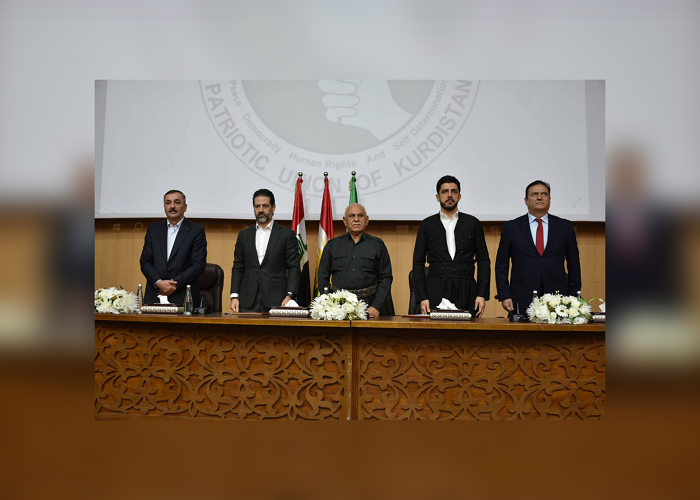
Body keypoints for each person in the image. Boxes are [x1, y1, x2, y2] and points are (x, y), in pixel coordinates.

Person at [495, 180, 582, 315]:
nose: (540, 197)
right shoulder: (512, 227)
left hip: (558, 298)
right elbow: (501, 265)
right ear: (526, 200)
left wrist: (574, 295)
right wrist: (504, 295)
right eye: (534, 194)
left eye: (544, 194)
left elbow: (574, 264)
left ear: (549, 199)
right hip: (521, 296)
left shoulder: (564, 227)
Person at [412, 175, 491, 316]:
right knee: (436, 329)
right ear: (437, 197)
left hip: (466, 287)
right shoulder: (427, 225)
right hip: (435, 287)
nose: (449, 195)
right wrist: (422, 297)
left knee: (467, 329)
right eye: (445, 192)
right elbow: (418, 263)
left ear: (459, 196)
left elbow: (483, 260)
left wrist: (481, 294)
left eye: (454, 191)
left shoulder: (473, 223)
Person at [317, 203, 393, 318]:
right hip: (339, 305)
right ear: (345, 221)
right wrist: (329, 303)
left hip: (370, 305)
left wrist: (376, 306)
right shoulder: (333, 245)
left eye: (360, 215)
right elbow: (323, 275)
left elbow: (386, 277)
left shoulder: (378, 245)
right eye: (352, 216)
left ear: (367, 220)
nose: (356, 219)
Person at [230, 189, 300, 312]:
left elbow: (294, 267)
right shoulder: (244, 235)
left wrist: (290, 295)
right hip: (247, 300)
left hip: (278, 300)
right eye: (257, 206)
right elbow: (238, 267)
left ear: (273, 207)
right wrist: (234, 296)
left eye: (265, 206)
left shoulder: (286, 235)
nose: (261, 210)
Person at [140, 189, 207, 306]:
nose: (172, 206)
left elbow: (198, 264)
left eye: (177, 202)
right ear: (164, 207)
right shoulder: (153, 230)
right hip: (155, 293)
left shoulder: (196, 231)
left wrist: (173, 284)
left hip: (182, 295)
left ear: (185, 207)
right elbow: (145, 261)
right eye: (168, 203)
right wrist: (159, 283)